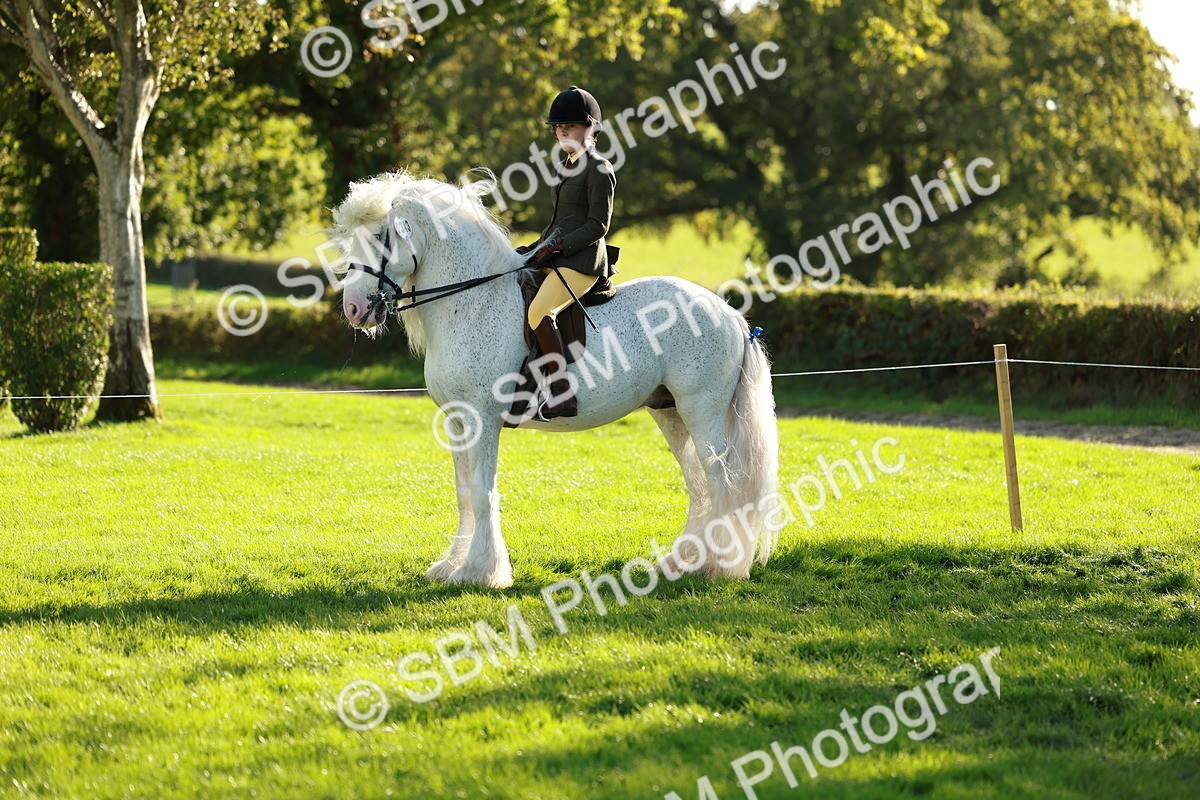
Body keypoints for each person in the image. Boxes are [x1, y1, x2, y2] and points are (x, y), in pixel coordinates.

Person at [517, 85, 617, 420]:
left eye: (570, 125)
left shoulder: (599, 169)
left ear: (591, 128)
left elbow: (597, 225)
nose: (562, 131)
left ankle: (563, 396)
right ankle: (527, 386)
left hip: (583, 262)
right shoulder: (565, 166)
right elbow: (559, 221)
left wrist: (559, 247)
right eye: (559, 127)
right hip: (559, 255)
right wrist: (534, 248)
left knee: (539, 313)